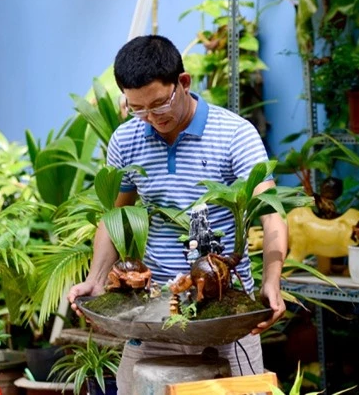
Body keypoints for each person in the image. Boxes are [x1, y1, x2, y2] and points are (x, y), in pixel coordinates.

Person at [67, 35, 288, 394]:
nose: (151, 118)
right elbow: (115, 219)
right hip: (154, 316)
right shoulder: (127, 140)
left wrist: (271, 281)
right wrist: (96, 278)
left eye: (159, 104)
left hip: (224, 318)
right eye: (138, 109)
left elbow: (272, 215)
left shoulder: (235, 134)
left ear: (183, 83)